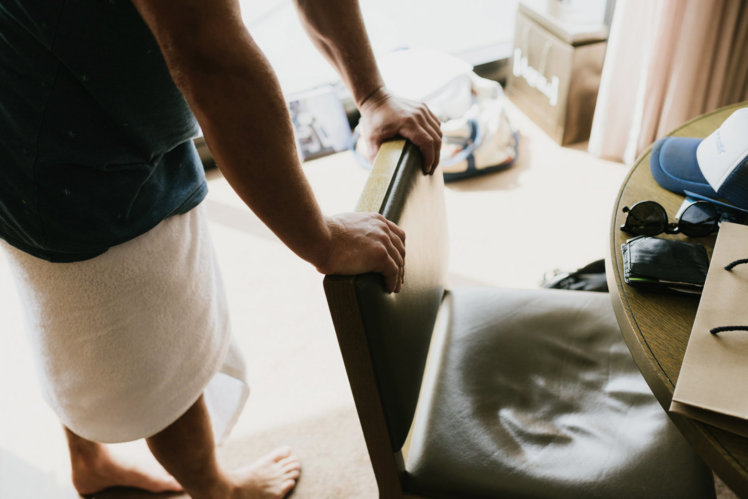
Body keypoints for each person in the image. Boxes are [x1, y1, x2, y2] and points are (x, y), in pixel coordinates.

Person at [0, 0, 441, 497]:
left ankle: (89, 460)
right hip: (65, 155)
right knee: (152, 354)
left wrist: (372, 92)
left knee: (74, 328)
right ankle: (215, 489)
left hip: (65, 83)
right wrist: (320, 238)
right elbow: (209, 57)